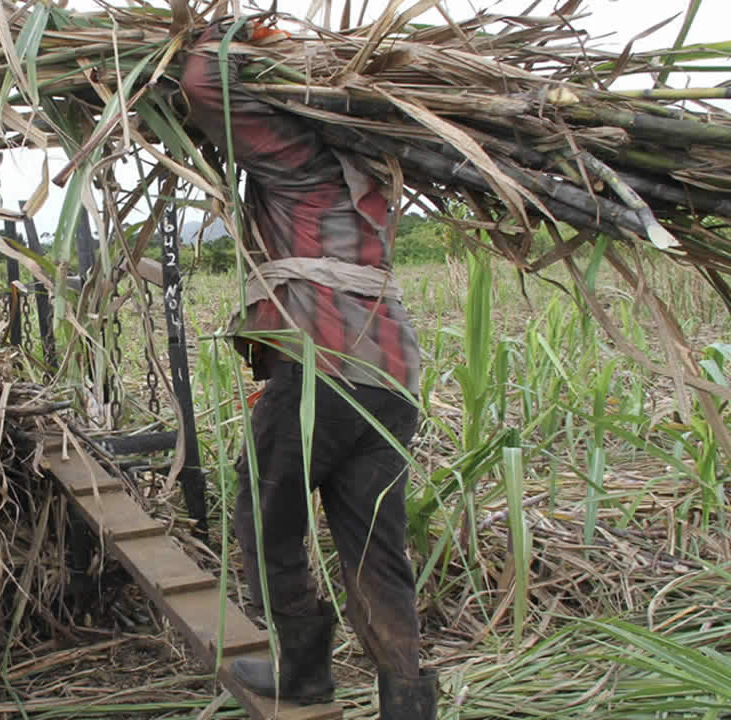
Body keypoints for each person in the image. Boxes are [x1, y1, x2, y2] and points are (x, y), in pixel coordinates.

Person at [178, 20, 437, 720]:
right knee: (373, 544)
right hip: (389, 377)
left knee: (264, 517)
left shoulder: (302, 159)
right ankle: (407, 698)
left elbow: (204, 85)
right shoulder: (380, 171)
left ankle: (304, 670)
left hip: (319, 370)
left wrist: (224, 33)